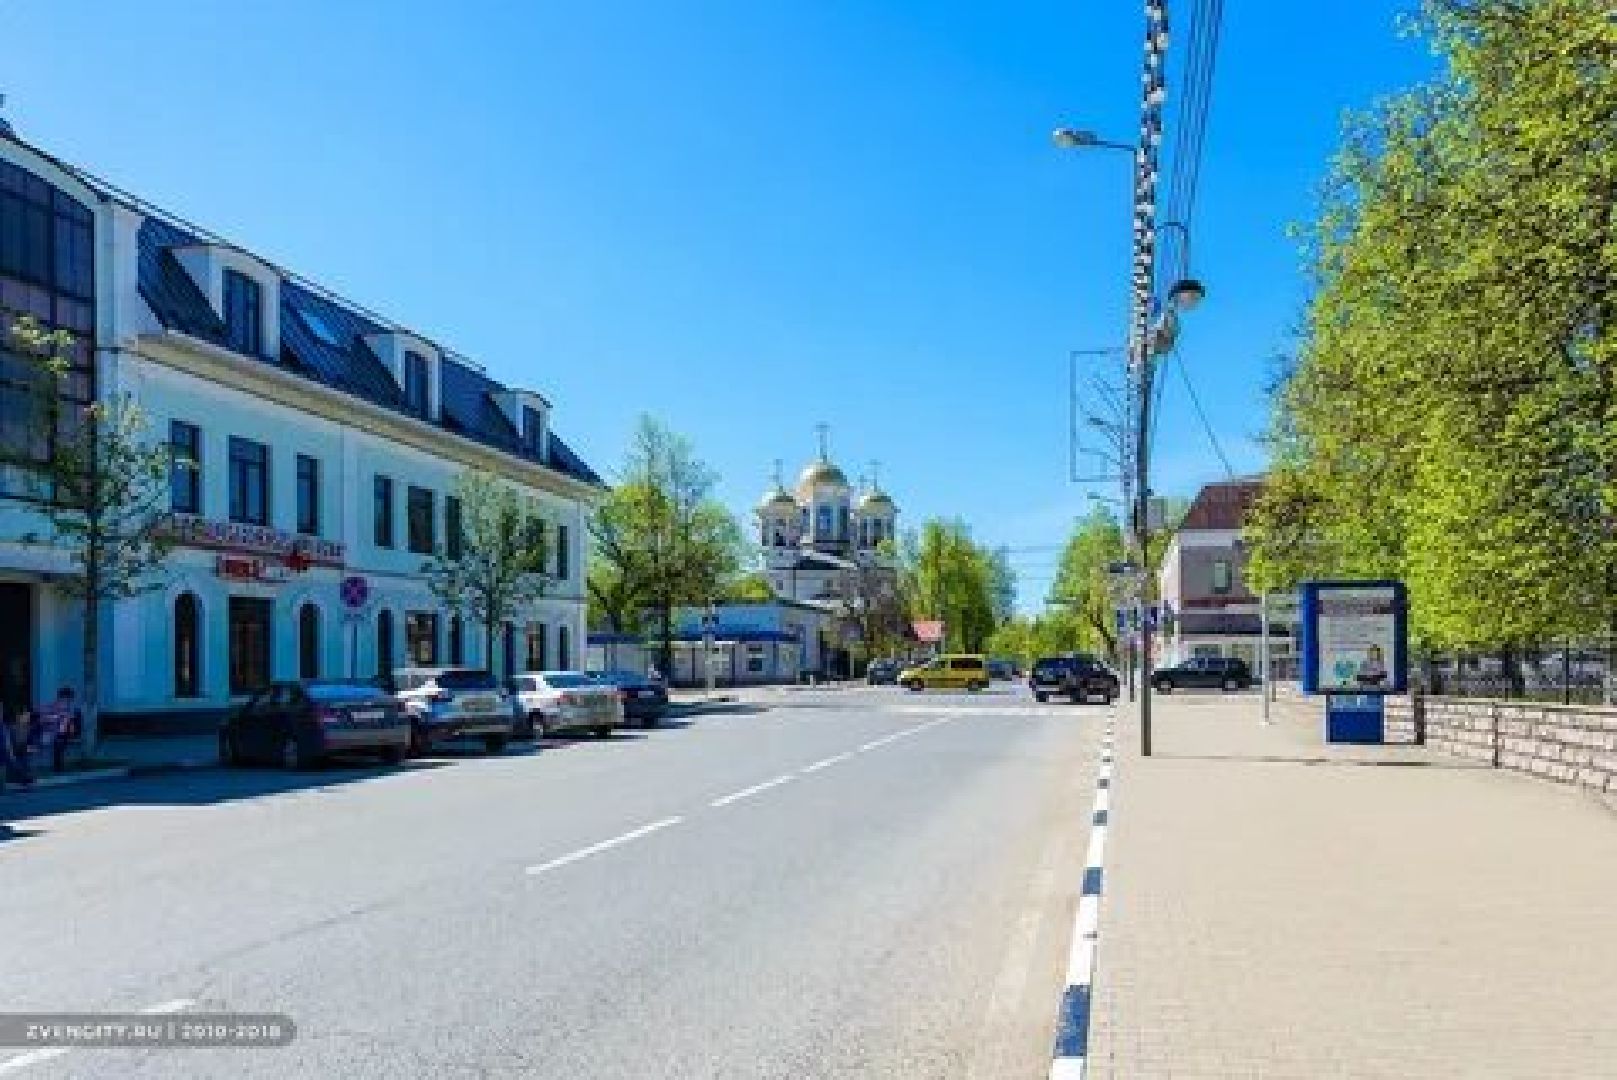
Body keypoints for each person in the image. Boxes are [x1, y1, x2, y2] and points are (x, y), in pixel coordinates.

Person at [38, 687, 80, 773]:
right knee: (58, 741)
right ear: (60, 698)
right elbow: (43, 720)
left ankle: (59, 766)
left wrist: (69, 725)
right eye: (66, 700)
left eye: (69, 701)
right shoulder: (51, 707)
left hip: (62, 734)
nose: (68, 703)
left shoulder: (69, 710)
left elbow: (70, 725)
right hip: (51, 733)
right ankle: (57, 767)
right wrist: (56, 718)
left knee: (61, 739)